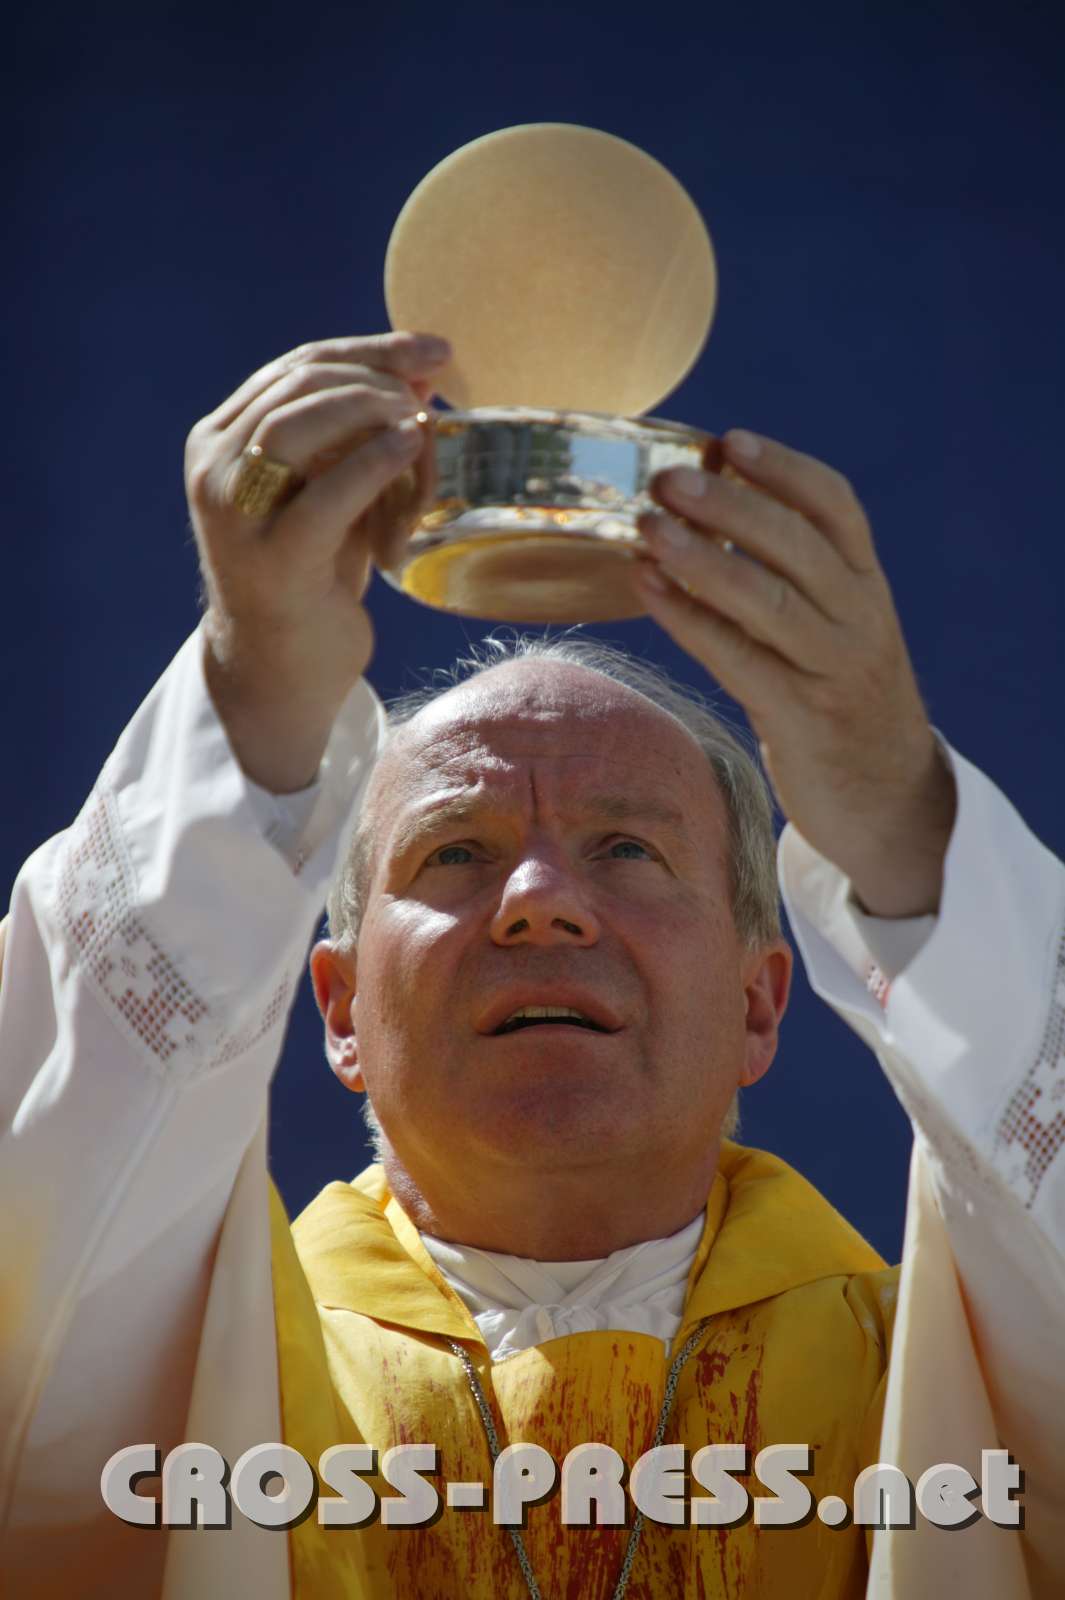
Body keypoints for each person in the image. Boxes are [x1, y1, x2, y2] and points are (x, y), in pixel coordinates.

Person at [1, 331, 1062, 1600]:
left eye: (628, 848)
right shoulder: (193, 1381)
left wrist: (893, 801)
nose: (541, 905)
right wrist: (252, 686)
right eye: (456, 852)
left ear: (757, 1001)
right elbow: (61, 1183)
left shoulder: (943, 1387)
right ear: (340, 1011)